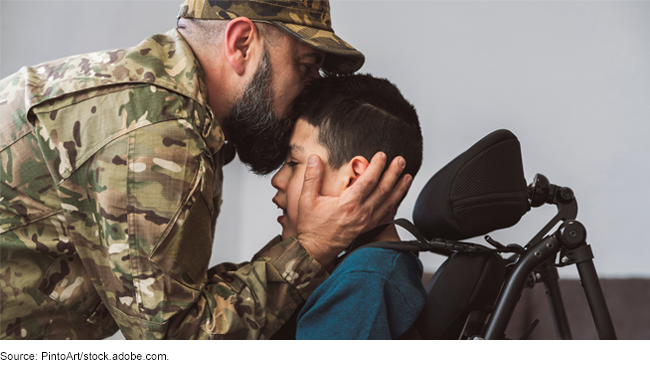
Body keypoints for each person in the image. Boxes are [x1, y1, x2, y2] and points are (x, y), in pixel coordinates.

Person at [0, 0, 412, 340]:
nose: (310, 88)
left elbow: (173, 302)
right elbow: (176, 342)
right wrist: (312, 247)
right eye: (304, 66)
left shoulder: (166, 101)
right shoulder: (156, 130)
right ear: (241, 43)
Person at [270, 74, 427, 339]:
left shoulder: (363, 281)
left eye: (294, 163)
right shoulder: (373, 267)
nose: (277, 180)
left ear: (354, 180)